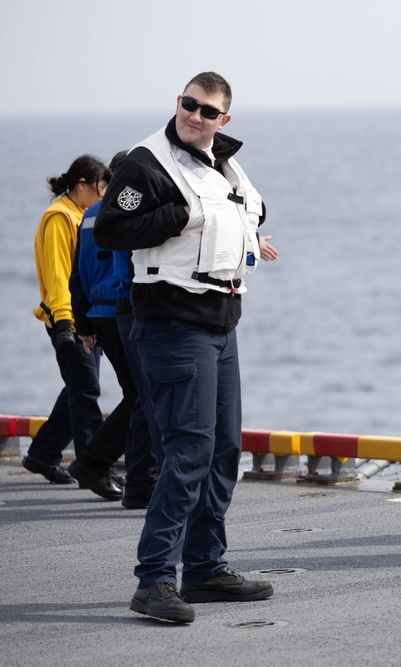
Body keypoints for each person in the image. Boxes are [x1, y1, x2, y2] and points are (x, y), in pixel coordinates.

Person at [95, 71, 274, 623]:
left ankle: (203, 568)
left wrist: (250, 235)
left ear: (224, 119)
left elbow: (246, 211)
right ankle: (154, 580)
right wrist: (181, 215)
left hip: (221, 323)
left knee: (223, 450)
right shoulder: (146, 164)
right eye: (188, 105)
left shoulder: (223, 161)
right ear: (179, 103)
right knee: (189, 451)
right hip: (173, 324)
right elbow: (109, 230)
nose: (195, 116)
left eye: (207, 110)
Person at [23, 155, 109, 484]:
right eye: (100, 188)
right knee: (86, 388)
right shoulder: (60, 219)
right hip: (67, 319)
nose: (104, 195)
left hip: (84, 317)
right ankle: (92, 465)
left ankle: (42, 455)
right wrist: (63, 322)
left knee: (78, 386)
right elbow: (59, 275)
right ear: (82, 186)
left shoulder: (81, 216)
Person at [67, 151, 132, 501]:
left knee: (135, 394)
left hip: (98, 315)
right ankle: (95, 462)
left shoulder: (88, 215)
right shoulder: (125, 211)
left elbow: (77, 275)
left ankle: (109, 467)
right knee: (140, 396)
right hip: (122, 311)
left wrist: (84, 323)